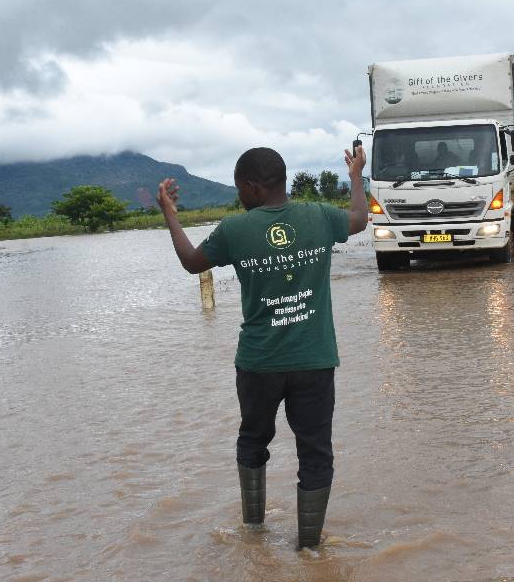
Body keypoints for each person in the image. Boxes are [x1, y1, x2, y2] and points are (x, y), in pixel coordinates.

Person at [156, 146, 368, 550]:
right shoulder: (320, 216)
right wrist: (356, 175)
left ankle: (253, 535)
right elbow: (360, 218)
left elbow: (191, 262)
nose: (239, 196)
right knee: (316, 453)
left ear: (251, 187)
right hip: (314, 360)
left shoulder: (234, 230)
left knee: (253, 441)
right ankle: (309, 550)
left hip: (258, 364)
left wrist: (169, 211)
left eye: (239, 189)